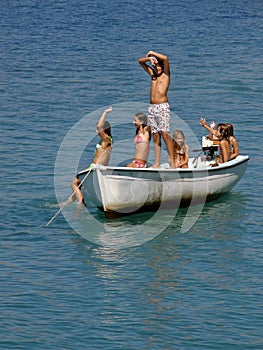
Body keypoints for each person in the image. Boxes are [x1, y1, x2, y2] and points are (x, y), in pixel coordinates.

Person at [138, 50, 175, 168]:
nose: (157, 68)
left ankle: (172, 161)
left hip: (162, 107)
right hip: (152, 108)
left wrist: (152, 53)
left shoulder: (166, 74)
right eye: (156, 66)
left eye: (159, 66)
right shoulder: (153, 75)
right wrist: (149, 59)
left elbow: (165, 58)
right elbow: (140, 62)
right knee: (155, 135)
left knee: (165, 134)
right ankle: (157, 162)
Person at [70, 106, 113, 204]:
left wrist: (105, 112)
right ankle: (69, 202)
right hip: (93, 168)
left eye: (98, 130)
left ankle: (81, 203)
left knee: (74, 183)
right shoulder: (106, 140)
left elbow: (99, 126)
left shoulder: (106, 140)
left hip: (95, 169)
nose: (96, 131)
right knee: (76, 184)